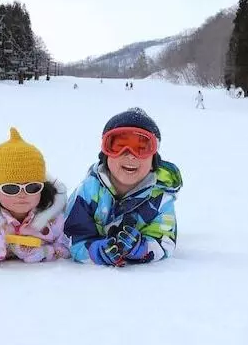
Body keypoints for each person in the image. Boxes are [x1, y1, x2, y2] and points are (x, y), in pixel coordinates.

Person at [64, 108, 182, 267]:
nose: (130, 155)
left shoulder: (159, 199)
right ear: (105, 154)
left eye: (141, 149)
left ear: (154, 159)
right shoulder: (88, 191)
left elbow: (164, 242)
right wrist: (93, 251)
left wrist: (142, 248)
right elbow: (71, 235)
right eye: (119, 147)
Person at [0, 128, 69, 266]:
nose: (22, 194)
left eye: (32, 187)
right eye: (11, 188)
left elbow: (67, 246)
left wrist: (43, 253)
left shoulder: (53, 217)